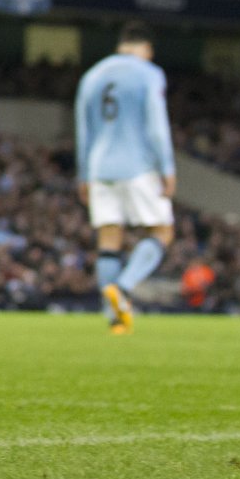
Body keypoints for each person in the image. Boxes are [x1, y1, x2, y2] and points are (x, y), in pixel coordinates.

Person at [74, 22, 177, 335]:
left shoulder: (92, 75)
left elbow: (83, 129)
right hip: (138, 165)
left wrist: (84, 174)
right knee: (162, 231)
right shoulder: (149, 73)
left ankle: (115, 317)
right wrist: (167, 168)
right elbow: (157, 127)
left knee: (109, 239)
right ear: (146, 49)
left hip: (99, 167)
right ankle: (123, 288)